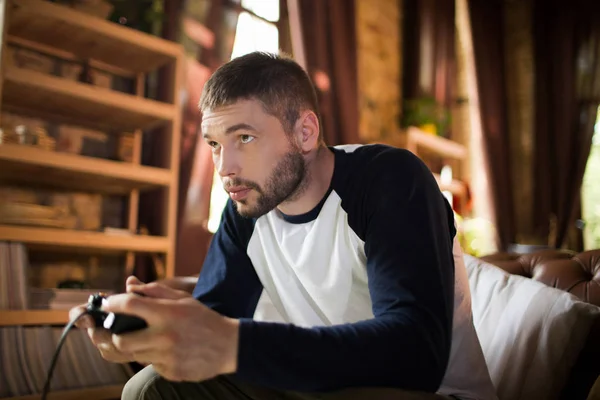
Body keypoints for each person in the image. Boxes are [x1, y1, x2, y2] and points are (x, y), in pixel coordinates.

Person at [71, 51, 497, 400]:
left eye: (245, 139)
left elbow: (414, 354)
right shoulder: (247, 211)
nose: (225, 167)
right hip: (316, 386)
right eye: (215, 145)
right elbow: (213, 323)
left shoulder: (390, 180)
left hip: (427, 393)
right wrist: (160, 326)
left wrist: (235, 344)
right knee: (148, 389)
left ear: (306, 131)